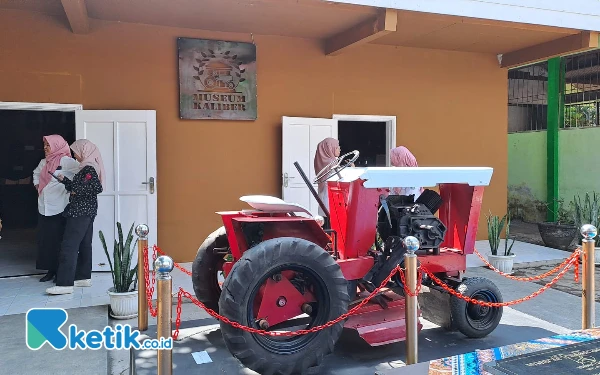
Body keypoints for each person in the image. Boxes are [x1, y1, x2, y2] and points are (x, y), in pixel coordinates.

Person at [46, 139, 104, 295]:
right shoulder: (87, 168)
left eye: (76, 151)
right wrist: (65, 181)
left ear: (84, 151)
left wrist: (76, 191)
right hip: (87, 211)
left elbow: (96, 187)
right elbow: (83, 186)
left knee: (69, 245)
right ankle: (82, 278)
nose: (74, 154)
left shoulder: (88, 168)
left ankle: (64, 284)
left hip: (80, 211)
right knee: (85, 244)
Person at [32, 135, 79, 282]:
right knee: (46, 241)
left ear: (57, 146)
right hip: (44, 206)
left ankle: (61, 271)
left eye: (48, 145)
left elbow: (81, 173)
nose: (45, 148)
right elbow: (36, 174)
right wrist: (37, 185)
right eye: (44, 145)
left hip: (59, 207)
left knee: (59, 241)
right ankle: (50, 270)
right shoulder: (43, 162)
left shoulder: (67, 161)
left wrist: (71, 188)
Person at [313, 138, 341, 216]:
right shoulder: (332, 162)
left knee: (324, 214)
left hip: (322, 192)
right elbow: (341, 177)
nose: (339, 149)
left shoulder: (320, 160)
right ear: (330, 148)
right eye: (337, 146)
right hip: (331, 195)